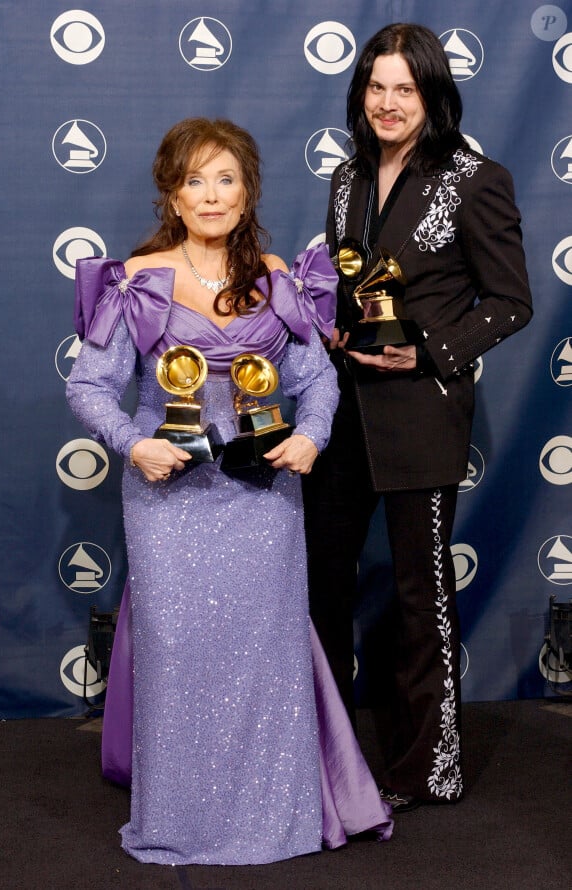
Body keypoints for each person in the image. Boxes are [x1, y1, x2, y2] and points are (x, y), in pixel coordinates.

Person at [66, 118, 392, 866]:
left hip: (260, 497)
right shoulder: (136, 282)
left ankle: (273, 821)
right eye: (193, 180)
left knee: (263, 654)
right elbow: (90, 386)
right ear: (171, 196)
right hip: (169, 502)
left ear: (247, 191)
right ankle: (182, 821)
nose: (209, 195)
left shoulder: (279, 279)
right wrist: (134, 443)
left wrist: (310, 437)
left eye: (225, 178)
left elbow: (316, 384)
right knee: (178, 655)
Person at [302, 24, 533, 813]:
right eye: (376, 88)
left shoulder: (477, 178)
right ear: (359, 94)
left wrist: (430, 351)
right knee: (321, 588)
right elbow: (349, 282)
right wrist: (331, 324)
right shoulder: (345, 179)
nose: (388, 103)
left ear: (433, 94)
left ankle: (423, 769)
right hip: (337, 419)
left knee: (416, 599)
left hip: (420, 417)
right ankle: (324, 752)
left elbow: (511, 302)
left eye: (405, 88)